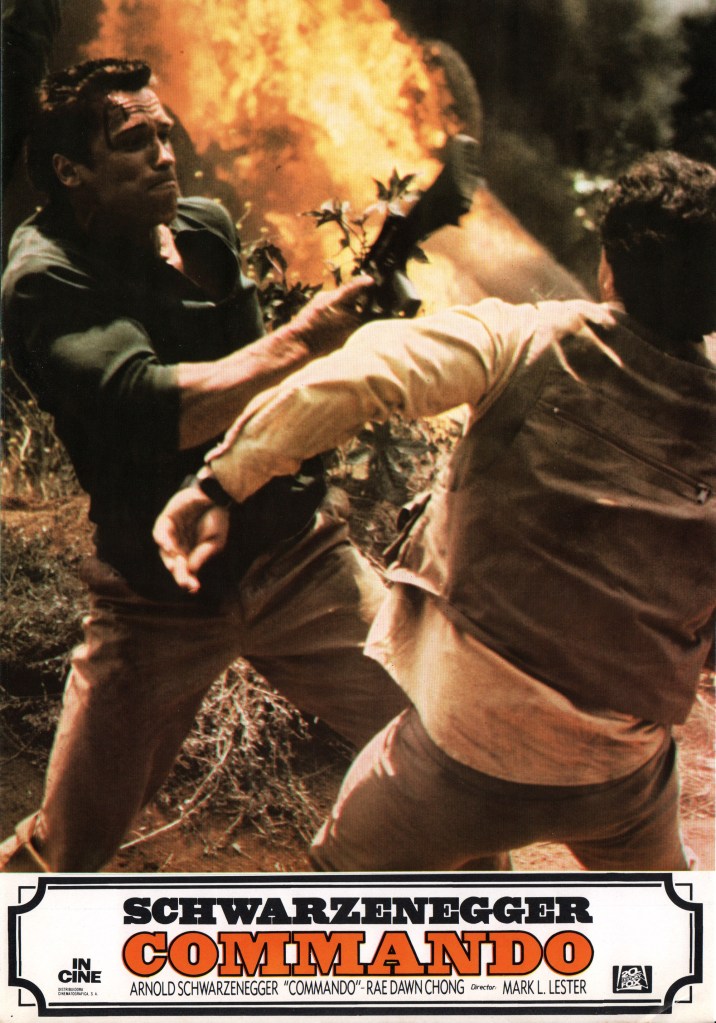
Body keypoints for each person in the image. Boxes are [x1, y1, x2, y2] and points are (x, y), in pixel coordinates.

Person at [154, 150, 716, 871]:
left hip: (457, 757)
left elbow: (359, 377)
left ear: (608, 267)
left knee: (338, 878)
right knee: (668, 917)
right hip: (622, 777)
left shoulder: (524, 338)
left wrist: (221, 484)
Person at [0, 57, 408, 872]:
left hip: (297, 559)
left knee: (447, 751)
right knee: (67, 851)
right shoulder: (45, 278)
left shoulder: (204, 229)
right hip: (158, 597)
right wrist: (308, 334)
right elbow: (158, 410)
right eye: (133, 141)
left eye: (165, 133)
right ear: (70, 171)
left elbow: (265, 394)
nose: (165, 154)